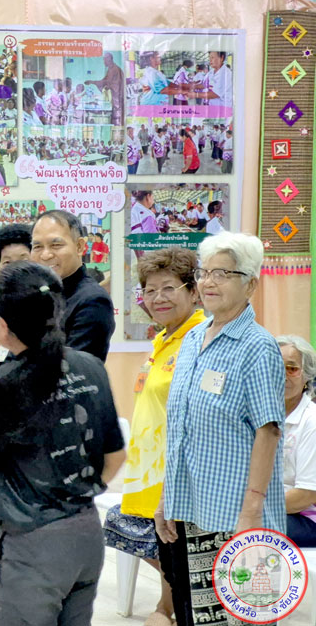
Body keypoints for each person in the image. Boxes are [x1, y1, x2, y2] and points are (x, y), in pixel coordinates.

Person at [0, 262, 126, 626]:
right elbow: (115, 456)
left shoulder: (5, 386)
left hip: (31, 546)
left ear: (2, 327)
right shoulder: (90, 366)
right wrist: (70, 497)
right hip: (86, 533)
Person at [156, 232, 285, 626]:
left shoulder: (257, 346)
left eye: (222, 273)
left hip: (234, 516)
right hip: (188, 509)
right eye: (204, 272)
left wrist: (250, 514)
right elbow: (180, 427)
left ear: (250, 284)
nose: (208, 282)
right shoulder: (193, 338)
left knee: (241, 618)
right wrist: (166, 499)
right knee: (193, 617)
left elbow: (269, 431)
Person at [103, 248, 204, 626]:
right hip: (147, 469)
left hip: (173, 470)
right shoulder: (164, 339)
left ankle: (174, 605)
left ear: (193, 292)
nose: (158, 298)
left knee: (173, 540)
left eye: (169, 288)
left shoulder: (197, 339)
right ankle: (174, 600)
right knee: (139, 530)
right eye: (150, 290)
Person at [30, 210, 115, 361]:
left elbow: (72, 371)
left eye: (56, 245)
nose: (45, 255)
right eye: (37, 247)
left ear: (80, 246)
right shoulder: (36, 295)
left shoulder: (93, 301)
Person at [277, 335, 316, 546]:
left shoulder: (311, 421)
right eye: (275, 366)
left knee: (249, 526)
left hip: (307, 517)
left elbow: (306, 495)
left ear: (306, 376)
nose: (282, 375)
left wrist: (251, 509)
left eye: (291, 369)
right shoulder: (259, 416)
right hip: (276, 509)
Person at [85, 52, 126, 127]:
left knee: (116, 119)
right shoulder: (111, 69)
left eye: (105, 60)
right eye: (103, 60)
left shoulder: (114, 69)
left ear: (109, 59)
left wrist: (92, 82)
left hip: (117, 99)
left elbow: (107, 82)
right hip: (115, 99)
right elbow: (106, 82)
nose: (104, 62)